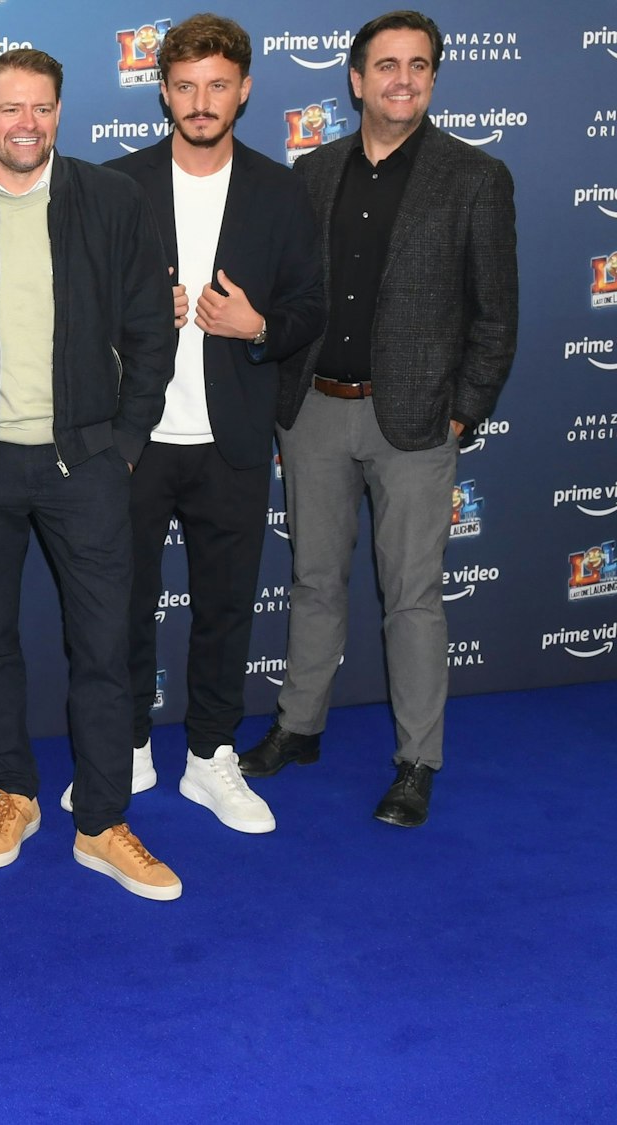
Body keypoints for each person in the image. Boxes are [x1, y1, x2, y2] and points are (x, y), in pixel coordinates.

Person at [243, 10, 517, 828]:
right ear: (356, 79)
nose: (403, 78)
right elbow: (293, 297)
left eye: (419, 66)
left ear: (433, 78)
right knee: (314, 580)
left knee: (414, 598)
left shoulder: (476, 178)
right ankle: (299, 726)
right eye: (387, 65)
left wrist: (462, 413)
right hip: (315, 413)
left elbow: (495, 316)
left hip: (416, 425)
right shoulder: (313, 172)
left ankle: (416, 761)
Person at [0, 49, 182, 899]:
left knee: (105, 648)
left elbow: (154, 325)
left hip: (89, 464)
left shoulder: (110, 200)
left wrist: (126, 439)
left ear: (59, 116)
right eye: (10, 109)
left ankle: (103, 822)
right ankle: (15, 794)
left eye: (42, 108)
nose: (26, 124)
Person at [102, 13, 325, 834]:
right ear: (162, 91)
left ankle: (209, 756)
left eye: (218, 85)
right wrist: (130, 318)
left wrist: (257, 327)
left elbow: (311, 308)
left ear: (245, 90)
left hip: (232, 436)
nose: (202, 101)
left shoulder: (281, 188)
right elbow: (71, 313)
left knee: (227, 607)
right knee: (121, 605)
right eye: (186, 86)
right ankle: (124, 748)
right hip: (135, 439)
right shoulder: (114, 184)